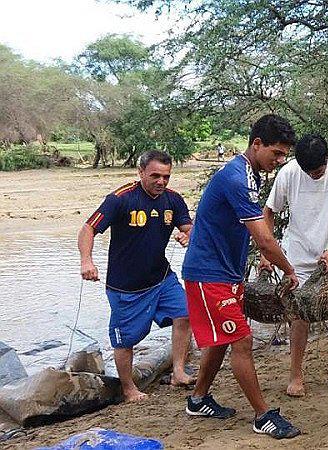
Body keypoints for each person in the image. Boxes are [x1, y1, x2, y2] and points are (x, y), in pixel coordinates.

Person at [181, 114, 302, 439]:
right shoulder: (237, 178)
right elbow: (263, 238)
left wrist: (261, 261)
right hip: (208, 274)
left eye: (283, 155)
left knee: (224, 338)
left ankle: (198, 398)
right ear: (257, 144)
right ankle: (262, 416)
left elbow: (252, 229)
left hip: (226, 272)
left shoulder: (251, 174)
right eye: (276, 153)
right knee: (242, 340)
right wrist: (288, 269)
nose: (279, 161)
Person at [78, 150, 195, 403]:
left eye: (166, 176)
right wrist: (87, 260)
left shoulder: (173, 201)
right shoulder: (120, 199)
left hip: (162, 278)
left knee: (185, 313)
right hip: (125, 287)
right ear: (140, 172)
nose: (161, 182)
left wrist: (189, 236)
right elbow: (88, 228)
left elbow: (191, 228)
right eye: (155, 176)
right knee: (124, 340)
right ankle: (129, 388)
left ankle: (178, 371)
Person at [262, 134, 328, 397]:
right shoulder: (288, 173)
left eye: (318, 171)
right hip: (298, 250)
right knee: (299, 312)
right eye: (308, 172)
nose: (313, 176)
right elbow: (269, 210)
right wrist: (266, 250)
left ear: (327, 160)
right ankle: (296, 375)